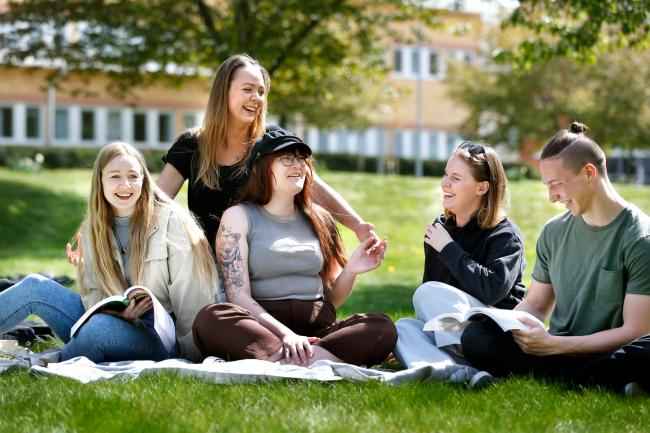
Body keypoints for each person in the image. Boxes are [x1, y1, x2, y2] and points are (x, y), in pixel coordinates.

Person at [461, 122, 650, 394]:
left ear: (589, 172)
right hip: (559, 351)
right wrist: (501, 322)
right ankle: (601, 382)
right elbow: (537, 305)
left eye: (557, 185)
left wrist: (554, 345)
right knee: (477, 337)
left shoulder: (640, 239)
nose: (552, 197)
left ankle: (568, 379)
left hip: (611, 350)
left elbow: (635, 331)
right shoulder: (554, 231)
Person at [192, 128, 397, 367]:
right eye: (286, 158)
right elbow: (238, 296)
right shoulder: (238, 217)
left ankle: (286, 360)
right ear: (261, 168)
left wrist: (351, 270)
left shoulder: (320, 218)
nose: (297, 165)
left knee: (382, 326)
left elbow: (331, 300)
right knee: (210, 318)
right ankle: (313, 359)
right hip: (263, 327)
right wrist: (286, 335)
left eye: (301, 159)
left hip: (317, 329)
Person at [3, 142, 219, 362]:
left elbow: (193, 296)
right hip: (109, 321)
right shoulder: (93, 228)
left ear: (144, 180)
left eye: (133, 176)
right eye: (115, 176)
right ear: (100, 181)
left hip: (161, 339)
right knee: (34, 286)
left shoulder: (172, 222)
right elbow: (93, 292)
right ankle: (80, 346)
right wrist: (116, 313)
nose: (125, 185)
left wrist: (191, 357)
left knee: (98, 329)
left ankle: (48, 363)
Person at [157, 53, 376, 248]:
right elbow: (156, 204)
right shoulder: (191, 145)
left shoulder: (273, 142)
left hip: (262, 266)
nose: (257, 98)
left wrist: (357, 225)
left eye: (261, 91)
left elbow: (314, 188)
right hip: (206, 266)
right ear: (223, 93)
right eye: (248, 89)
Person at [394, 141, 525, 371]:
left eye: (455, 178)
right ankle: (456, 369)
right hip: (454, 329)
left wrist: (448, 249)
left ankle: (453, 363)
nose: (444, 183)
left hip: (494, 334)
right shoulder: (441, 228)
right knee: (404, 327)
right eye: (446, 175)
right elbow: (435, 292)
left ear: (482, 188)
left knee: (427, 293)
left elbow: (492, 291)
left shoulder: (505, 235)